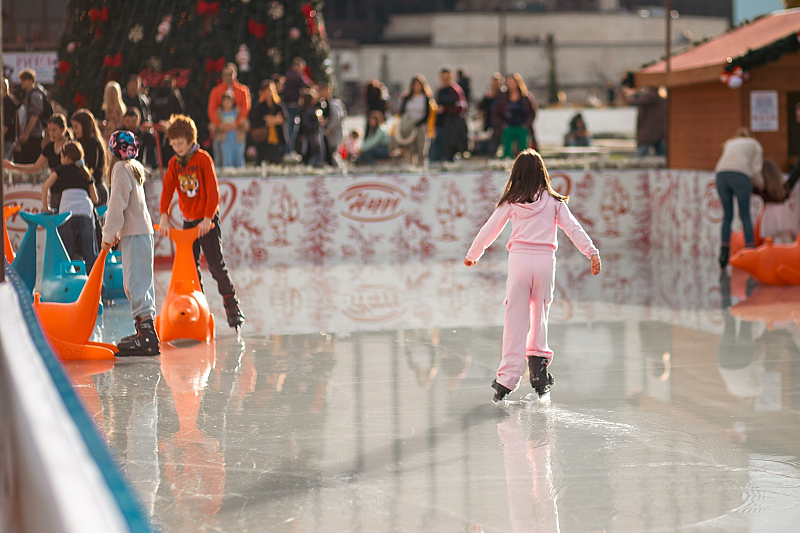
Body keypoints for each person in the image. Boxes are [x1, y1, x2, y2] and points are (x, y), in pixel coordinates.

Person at [464, 149, 601, 402]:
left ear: (516, 175)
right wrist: (591, 253)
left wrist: (474, 253)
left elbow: (489, 229)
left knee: (515, 317)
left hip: (519, 262)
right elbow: (574, 228)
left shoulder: (511, 202)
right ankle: (538, 372)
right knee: (540, 314)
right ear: (542, 174)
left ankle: (506, 379)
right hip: (545, 263)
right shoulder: (554, 202)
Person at [159, 114, 245, 329]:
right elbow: (168, 190)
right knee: (191, 268)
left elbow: (213, 192)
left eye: (180, 143)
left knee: (215, 265)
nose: (177, 147)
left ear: (190, 140)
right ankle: (199, 304)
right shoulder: (174, 164)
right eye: (173, 144)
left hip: (207, 221)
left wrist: (207, 218)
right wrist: (164, 215)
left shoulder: (203, 159)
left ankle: (231, 305)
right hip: (189, 222)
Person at [102, 130, 160, 357]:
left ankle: (147, 337)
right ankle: (145, 331)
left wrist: (108, 236)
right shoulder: (133, 168)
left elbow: (117, 205)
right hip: (141, 232)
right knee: (141, 281)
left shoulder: (120, 169)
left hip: (135, 234)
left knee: (134, 282)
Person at [40, 140, 99, 273]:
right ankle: (97, 287)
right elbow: (95, 198)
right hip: (85, 212)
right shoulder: (85, 172)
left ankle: (69, 285)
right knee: (90, 253)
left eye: (61, 156)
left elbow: (45, 187)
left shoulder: (60, 169)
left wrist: (46, 207)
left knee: (67, 252)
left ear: (67, 157)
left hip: (67, 214)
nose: (60, 159)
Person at [715, 127, 764, 269]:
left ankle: (724, 254)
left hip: (721, 175)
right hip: (740, 175)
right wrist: (761, 186)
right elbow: (756, 170)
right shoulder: (754, 144)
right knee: (745, 215)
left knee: (727, 215)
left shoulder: (730, 143)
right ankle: (750, 252)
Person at [4, 114, 72, 209]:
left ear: (63, 129)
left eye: (54, 130)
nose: (51, 133)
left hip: (70, 189)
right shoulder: (49, 147)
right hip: (55, 190)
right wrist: (14, 166)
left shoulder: (71, 145)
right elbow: (36, 167)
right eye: (49, 130)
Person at [207, 63, 251, 165]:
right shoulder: (216, 91)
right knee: (220, 158)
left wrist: (236, 123)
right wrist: (219, 124)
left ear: (235, 74)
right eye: (225, 74)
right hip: (221, 130)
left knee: (238, 157)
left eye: (230, 74)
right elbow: (211, 110)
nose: (228, 77)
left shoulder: (243, 90)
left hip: (237, 130)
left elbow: (246, 108)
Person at [493, 73, 537, 159]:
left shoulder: (525, 97)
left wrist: (527, 124)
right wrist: (502, 124)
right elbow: (496, 113)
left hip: (522, 126)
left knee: (524, 151)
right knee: (507, 151)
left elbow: (532, 112)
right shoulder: (503, 98)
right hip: (508, 126)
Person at [395, 74, 435, 166]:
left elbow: (427, 114)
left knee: (420, 148)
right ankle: (410, 166)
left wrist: (418, 123)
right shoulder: (406, 98)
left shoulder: (426, 98)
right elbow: (401, 112)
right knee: (409, 149)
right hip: (409, 125)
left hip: (420, 125)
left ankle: (421, 167)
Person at [71, 109, 108, 206]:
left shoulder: (93, 143)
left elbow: (91, 166)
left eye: (76, 127)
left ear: (85, 126)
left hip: (96, 189)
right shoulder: (83, 142)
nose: (74, 131)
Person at [432, 67, 468, 162]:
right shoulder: (439, 91)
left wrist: (446, 109)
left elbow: (462, 107)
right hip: (441, 125)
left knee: (450, 150)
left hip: (453, 126)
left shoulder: (455, 90)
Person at [249, 79, 287, 165]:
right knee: (262, 161)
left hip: (277, 138)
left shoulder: (278, 105)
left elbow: (283, 119)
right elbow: (258, 120)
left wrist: (271, 120)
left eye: (270, 90)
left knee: (277, 161)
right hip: (263, 139)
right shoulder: (258, 107)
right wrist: (274, 119)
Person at [16, 69, 46, 164]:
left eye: (24, 79)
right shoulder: (29, 94)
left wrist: (26, 133)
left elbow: (35, 115)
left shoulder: (35, 95)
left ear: (31, 80)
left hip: (34, 134)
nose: (21, 82)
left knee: (32, 161)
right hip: (31, 134)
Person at [283, 57, 312, 149]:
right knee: (292, 129)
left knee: (288, 128)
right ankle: (289, 150)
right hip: (294, 105)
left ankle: (288, 150)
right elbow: (309, 85)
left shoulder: (287, 75)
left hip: (287, 104)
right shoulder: (298, 76)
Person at [632, 86, 667, 157]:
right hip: (657, 130)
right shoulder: (660, 97)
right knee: (660, 152)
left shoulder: (648, 97)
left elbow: (641, 117)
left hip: (648, 131)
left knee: (641, 153)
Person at [214, 91, 246, 168]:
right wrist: (221, 126)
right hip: (225, 140)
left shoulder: (238, 112)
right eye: (225, 101)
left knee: (239, 161)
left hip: (237, 140)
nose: (227, 103)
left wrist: (236, 125)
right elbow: (213, 126)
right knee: (227, 161)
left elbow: (245, 124)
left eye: (229, 101)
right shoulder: (219, 113)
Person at [317, 83, 346, 166]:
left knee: (334, 150)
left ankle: (337, 165)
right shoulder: (324, 103)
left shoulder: (334, 103)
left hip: (334, 132)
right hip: (329, 132)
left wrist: (330, 128)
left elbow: (337, 118)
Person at [477, 73, 504, 156]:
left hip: (502, 124)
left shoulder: (504, 95)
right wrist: (487, 97)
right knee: (491, 147)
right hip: (491, 124)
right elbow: (480, 106)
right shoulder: (489, 96)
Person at [294, 90, 323, 167]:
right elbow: (310, 124)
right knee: (314, 151)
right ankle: (316, 164)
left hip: (307, 133)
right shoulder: (311, 111)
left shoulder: (303, 110)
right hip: (311, 133)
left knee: (307, 151)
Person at [2, 78, 19, 157]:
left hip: (6, 139)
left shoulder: (6, 103)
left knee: (5, 163)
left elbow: (6, 123)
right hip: (7, 139)